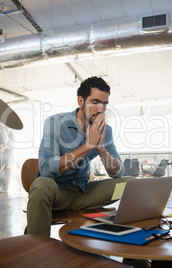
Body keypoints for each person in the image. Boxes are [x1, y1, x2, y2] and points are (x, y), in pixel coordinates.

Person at [27, 76, 130, 236]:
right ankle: (39, 250)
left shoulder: (105, 130)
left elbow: (118, 173)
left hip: (84, 194)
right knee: (41, 185)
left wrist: (101, 148)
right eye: (95, 102)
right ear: (81, 101)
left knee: (130, 185)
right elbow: (46, 170)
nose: (100, 109)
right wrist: (88, 145)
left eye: (104, 104)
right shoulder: (55, 123)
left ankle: (135, 256)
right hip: (57, 195)